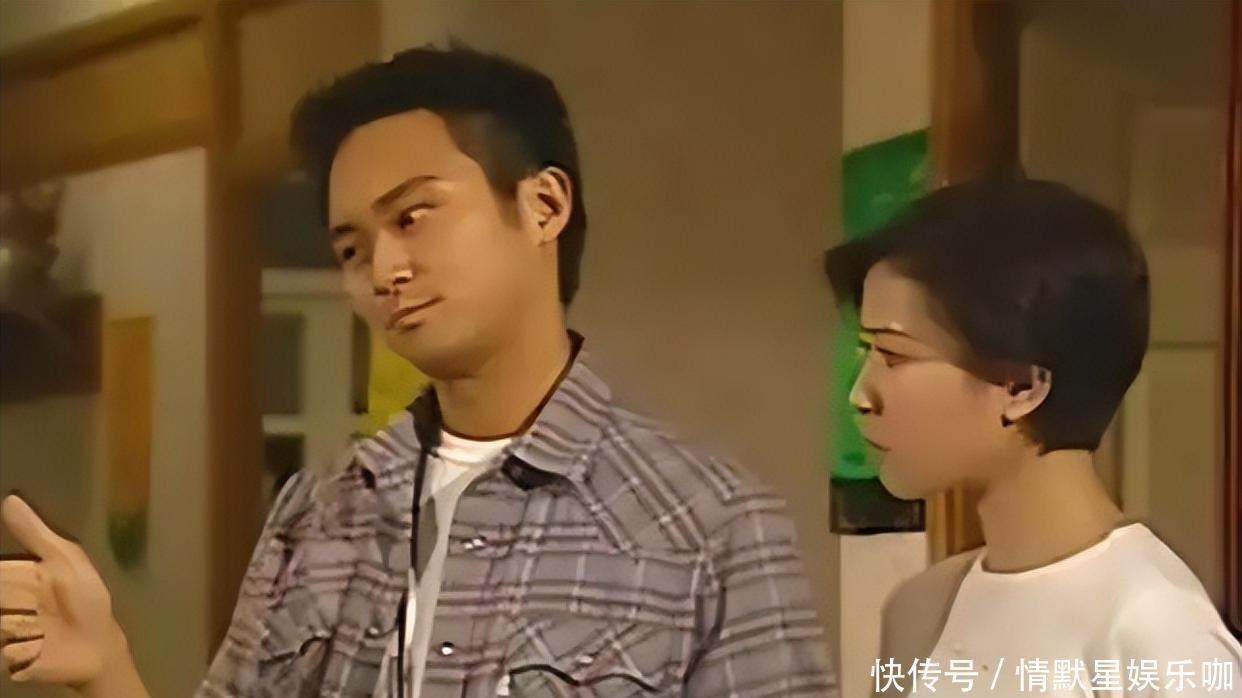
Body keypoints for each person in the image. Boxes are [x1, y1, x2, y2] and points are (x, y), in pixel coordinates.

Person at [0, 45, 836, 697]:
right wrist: (107, 669)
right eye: (351, 248)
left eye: (412, 217)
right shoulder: (319, 514)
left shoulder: (707, 525)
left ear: (543, 205)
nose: (383, 270)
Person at [825, 178, 1242, 696]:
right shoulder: (919, 611)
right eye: (865, 350)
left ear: (1021, 387)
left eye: (893, 355)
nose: (861, 395)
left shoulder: (1159, 634)